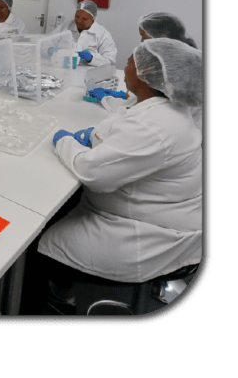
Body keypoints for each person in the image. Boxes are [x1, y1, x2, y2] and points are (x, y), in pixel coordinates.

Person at [38, 39, 202, 310]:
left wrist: (64, 141)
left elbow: (93, 172)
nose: (124, 68)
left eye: (129, 63)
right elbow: (122, 126)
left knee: (40, 246)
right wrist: (90, 135)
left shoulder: (157, 125)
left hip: (149, 237)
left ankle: (56, 302)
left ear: (145, 75)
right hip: (155, 212)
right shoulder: (160, 108)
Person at [87, 12, 202, 134]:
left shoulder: (179, 67)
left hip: (179, 131)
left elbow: (159, 106)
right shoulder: (175, 57)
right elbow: (154, 97)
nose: (142, 42)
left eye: (144, 36)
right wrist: (125, 96)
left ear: (163, 39)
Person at [53, 0, 116, 66]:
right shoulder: (65, 26)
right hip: (63, 68)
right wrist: (50, 50)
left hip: (89, 73)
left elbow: (110, 61)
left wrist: (91, 58)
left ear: (93, 19)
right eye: (77, 17)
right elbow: (45, 43)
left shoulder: (102, 34)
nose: (79, 21)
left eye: (84, 19)